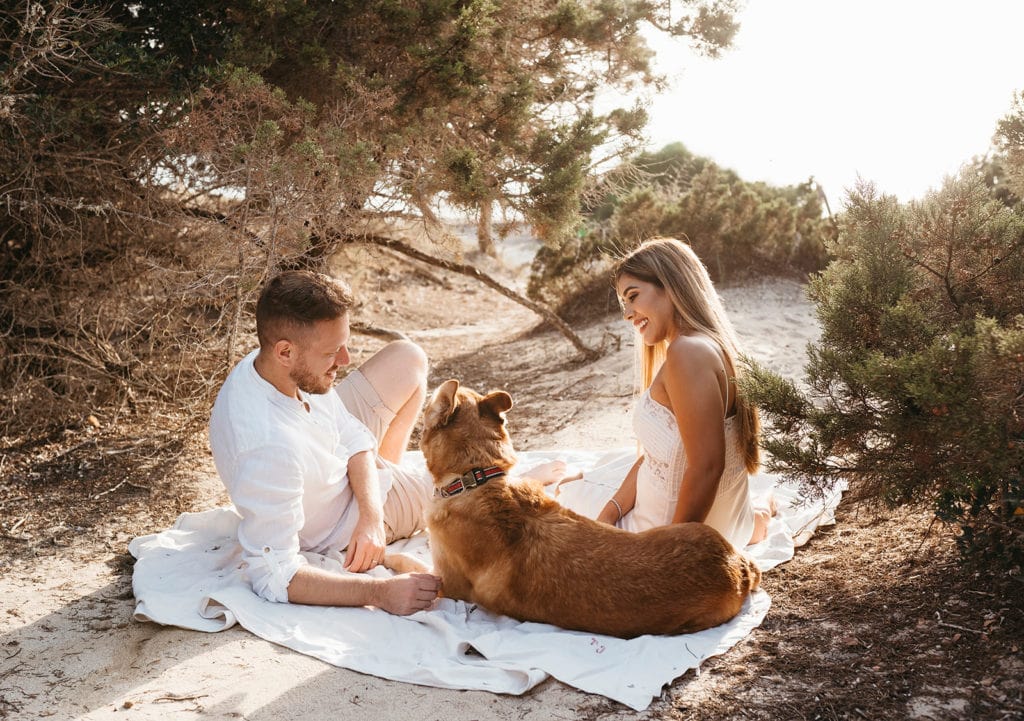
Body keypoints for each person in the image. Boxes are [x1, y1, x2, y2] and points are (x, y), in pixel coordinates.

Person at [208, 269, 441, 615]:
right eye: (333, 352)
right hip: (338, 519)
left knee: (408, 358)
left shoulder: (279, 367)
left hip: (344, 479)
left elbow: (351, 433)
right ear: (285, 351)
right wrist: (380, 593)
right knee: (466, 491)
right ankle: (403, 497)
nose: (345, 361)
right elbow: (277, 576)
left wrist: (371, 516)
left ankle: (390, 484)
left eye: (344, 345)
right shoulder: (269, 448)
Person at [558, 237, 774, 548]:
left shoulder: (688, 353)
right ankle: (761, 512)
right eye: (624, 302)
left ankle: (761, 512)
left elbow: (707, 468)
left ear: (671, 285)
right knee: (596, 487)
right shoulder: (708, 345)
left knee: (565, 492)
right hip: (730, 529)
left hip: (663, 536)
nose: (628, 314)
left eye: (633, 296)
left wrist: (670, 553)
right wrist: (609, 513)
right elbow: (660, 456)